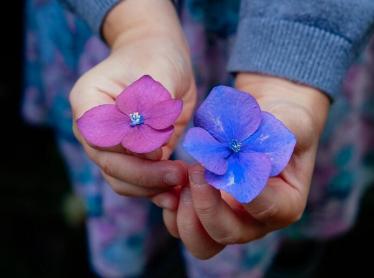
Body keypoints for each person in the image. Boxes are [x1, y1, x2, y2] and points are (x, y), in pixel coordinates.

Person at [24, 0, 374, 276]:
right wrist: (136, 24)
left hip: (306, 46)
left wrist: (293, 64)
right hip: (118, 26)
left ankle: (291, 257)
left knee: (284, 226)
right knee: (144, 198)